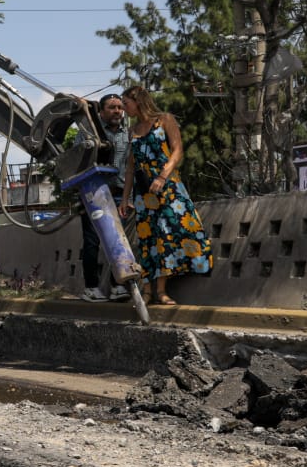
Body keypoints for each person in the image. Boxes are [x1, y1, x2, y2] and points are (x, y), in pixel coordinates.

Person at [118, 85, 211, 305]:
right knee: (147, 239)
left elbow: (177, 151)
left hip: (167, 187)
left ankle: (161, 291)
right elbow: (130, 167)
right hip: (143, 192)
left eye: (126, 104)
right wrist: (125, 197)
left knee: (168, 235)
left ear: (138, 101)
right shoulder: (132, 131)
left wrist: (162, 176)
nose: (124, 109)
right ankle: (147, 291)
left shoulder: (165, 120)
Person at [78, 93, 131, 301]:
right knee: (93, 242)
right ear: (101, 112)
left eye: (120, 107)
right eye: (112, 107)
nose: (117, 111)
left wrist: (128, 197)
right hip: (95, 194)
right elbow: (77, 160)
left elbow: (130, 167)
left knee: (118, 241)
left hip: (119, 195)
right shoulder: (89, 133)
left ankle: (118, 286)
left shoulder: (128, 133)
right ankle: (91, 287)